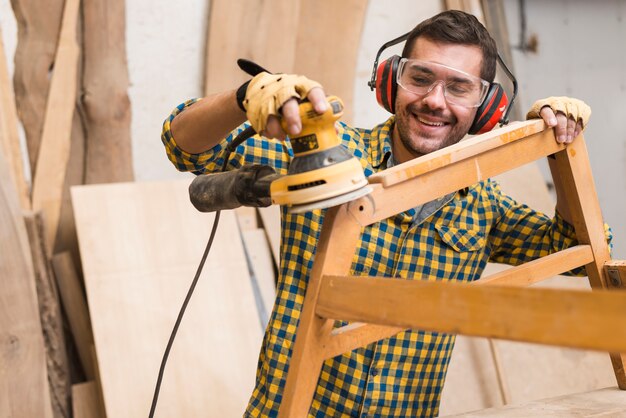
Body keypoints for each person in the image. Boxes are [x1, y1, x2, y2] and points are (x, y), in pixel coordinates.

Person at [162, 10, 606, 417]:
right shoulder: (322, 154)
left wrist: (557, 147)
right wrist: (244, 97)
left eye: (458, 88)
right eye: (422, 77)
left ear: (486, 109)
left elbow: (574, 245)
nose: (434, 100)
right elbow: (184, 147)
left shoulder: (483, 206)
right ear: (391, 81)